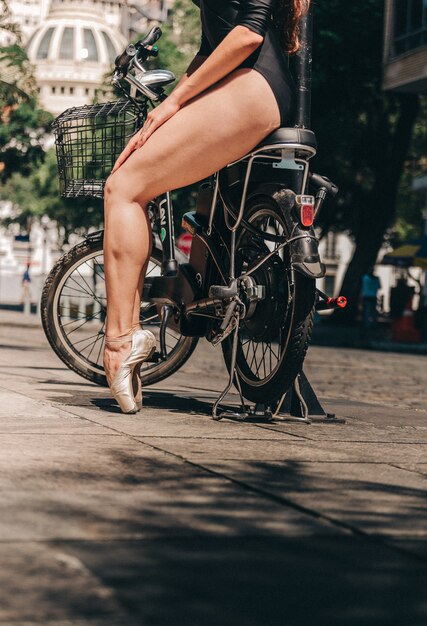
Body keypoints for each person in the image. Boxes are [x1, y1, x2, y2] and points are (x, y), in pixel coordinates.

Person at [103, 0, 310, 413]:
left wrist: (174, 101)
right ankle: (128, 337)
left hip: (251, 85)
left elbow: (248, 32)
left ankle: (119, 342)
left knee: (123, 187)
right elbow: (211, 42)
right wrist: (166, 110)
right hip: (253, 86)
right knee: (134, 181)